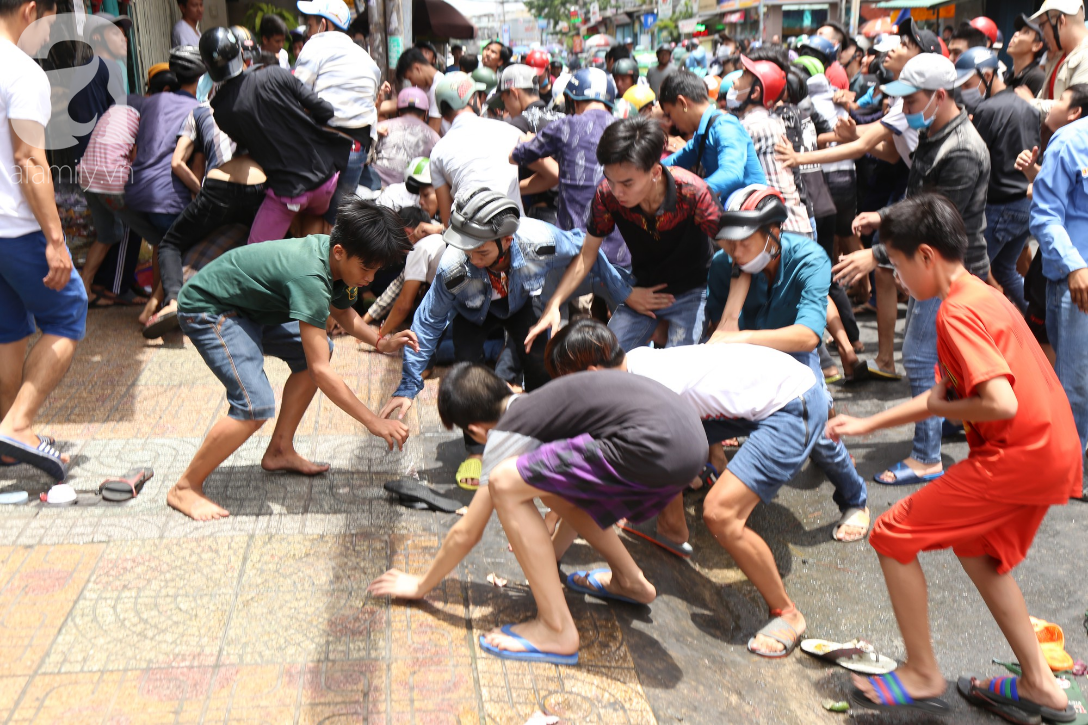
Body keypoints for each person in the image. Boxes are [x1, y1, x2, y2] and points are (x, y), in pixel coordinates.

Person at [827, 193, 1081, 721]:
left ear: (925, 256)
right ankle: (1040, 686)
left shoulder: (956, 314)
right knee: (975, 549)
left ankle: (922, 671)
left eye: (895, 265)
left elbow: (997, 402)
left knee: (891, 533)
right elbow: (945, 395)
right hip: (1052, 450)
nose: (894, 278)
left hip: (1020, 452)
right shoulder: (981, 294)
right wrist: (870, 422)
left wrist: (947, 403)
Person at [545, 318, 851, 657]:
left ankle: (787, 613)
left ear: (591, 373)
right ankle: (672, 530)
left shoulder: (645, 394)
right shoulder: (631, 365)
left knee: (720, 514)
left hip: (794, 404)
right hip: (760, 391)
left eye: (567, 385)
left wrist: (550, 538)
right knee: (651, 452)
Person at [377, 361, 705, 665]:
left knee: (504, 482)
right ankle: (630, 580)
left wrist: (421, 585)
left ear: (475, 431)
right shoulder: (537, 402)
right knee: (546, 484)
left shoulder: (508, 432)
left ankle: (555, 627)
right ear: (506, 386)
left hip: (654, 449)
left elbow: (468, 532)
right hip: (689, 440)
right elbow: (570, 497)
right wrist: (551, 552)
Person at [169, 199, 418, 521]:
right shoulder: (310, 276)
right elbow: (320, 372)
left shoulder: (336, 260)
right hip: (210, 308)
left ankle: (279, 451)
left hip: (249, 307)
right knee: (254, 404)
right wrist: (374, 421)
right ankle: (184, 488)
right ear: (340, 251)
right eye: (366, 269)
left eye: (376, 271)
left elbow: (342, 311)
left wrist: (381, 342)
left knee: (320, 348)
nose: (370, 279)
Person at [381, 189, 629, 489]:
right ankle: (475, 449)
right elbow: (427, 322)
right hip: (470, 314)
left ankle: (540, 437)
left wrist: (626, 295)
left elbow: (587, 249)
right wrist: (409, 385)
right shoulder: (453, 266)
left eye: (481, 252)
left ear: (507, 240)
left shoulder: (540, 239)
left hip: (522, 302)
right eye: (467, 249)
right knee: (467, 375)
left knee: (539, 363)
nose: (472, 258)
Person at [775, 20, 945, 383]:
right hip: (911, 192)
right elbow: (887, 152)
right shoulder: (905, 100)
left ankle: (928, 376)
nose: (893, 50)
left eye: (903, 44)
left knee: (926, 297)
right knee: (896, 281)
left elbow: (863, 144)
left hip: (923, 198)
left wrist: (800, 157)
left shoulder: (916, 103)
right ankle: (888, 358)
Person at [853, 53, 991, 489]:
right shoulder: (935, 131)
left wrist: (874, 256)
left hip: (949, 275)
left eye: (911, 101)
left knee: (919, 357)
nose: (905, 110)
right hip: (934, 268)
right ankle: (947, 420)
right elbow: (920, 198)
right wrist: (884, 215)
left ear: (940, 96)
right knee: (942, 360)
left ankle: (927, 457)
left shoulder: (963, 150)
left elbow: (933, 218)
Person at [707, 184, 870, 546]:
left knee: (813, 428)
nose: (733, 252)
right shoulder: (723, 266)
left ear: (774, 233)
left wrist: (741, 338)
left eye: (743, 242)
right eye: (727, 242)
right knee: (694, 417)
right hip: (741, 356)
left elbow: (808, 337)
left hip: (793, 355)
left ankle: (855, 499)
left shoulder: (809, 258)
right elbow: (720, 327)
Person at [525, 117, 722, 353]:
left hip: (693, 291)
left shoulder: (693, 193)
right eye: (610, 179)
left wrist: (725, 315)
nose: (617, 191)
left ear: (656, 172)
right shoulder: (607, 196)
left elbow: (733, 252)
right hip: (642, 290)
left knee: (676, 372)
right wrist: (554, 304)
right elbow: (588, 254)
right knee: (605, 360)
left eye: (627, 183)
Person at [0, 0, 87, 483]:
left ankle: (6, 438)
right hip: (15, 228)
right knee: (68, 310)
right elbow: (29, 160)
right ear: (32, 9)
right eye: (52, 20)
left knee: (9, 329)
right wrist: (56, 239)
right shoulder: (21, 71)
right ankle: (18, 424)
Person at [142, 68, 269, 339]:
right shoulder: (256, 105)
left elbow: (177, 162)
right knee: (261, 244)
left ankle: (174, 303)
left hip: (219, 188)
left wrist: (202, 193)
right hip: (259, 186)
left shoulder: (199, 111)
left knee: (170, 243)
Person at [204, 27, 350, 245]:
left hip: (288, 196)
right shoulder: (276, 74)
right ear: (241, 54)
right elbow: (326, 111)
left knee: (253, 257)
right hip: (325, 182)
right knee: (311, 231)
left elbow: (247, 146)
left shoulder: (222, 112)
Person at [510, 67, 630, 271]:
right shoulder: (626, 129)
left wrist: (527, 140)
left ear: (573, 100)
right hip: (619, 253)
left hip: (573, 249)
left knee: (543, 298)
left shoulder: (566, 125)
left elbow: (516, 156)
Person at [118, 46, 203, 322]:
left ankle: (153, 309)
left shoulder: (149, 102)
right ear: (201, 79)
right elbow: (195, 163)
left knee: (163, 244)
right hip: (167, 197)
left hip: (132, 193)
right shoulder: (198, 110)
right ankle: (168, 306)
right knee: (186, 246)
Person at [959, 47, 1041, 314]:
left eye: (969, 84)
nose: (965, 90)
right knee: (1005, 270)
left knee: (969, 273)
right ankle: (1035, 324)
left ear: (987, 74)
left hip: (1000, 209)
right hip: (1024, 204)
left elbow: (974, 159)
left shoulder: (987, 109)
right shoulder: (1026, 107)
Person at [1030, 112, 1088, 467]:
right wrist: (1075, 265)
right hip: (1078, 285)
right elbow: (1045, 215)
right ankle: (1072, 465)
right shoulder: (1069, 142)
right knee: (1077, 384)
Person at [295, 0, 380, 225]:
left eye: (310, 26)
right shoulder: (368, 60)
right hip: (357, 149)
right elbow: (371, 100)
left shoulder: (316, 45)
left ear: (324, 25)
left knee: (307, 216)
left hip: (323, 147)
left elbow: (295, 93)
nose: (308, 32)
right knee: (337, 221)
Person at [727, 56, 813, 237]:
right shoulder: (770, 119)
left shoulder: (753, 125)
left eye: (743, 76)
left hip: (782, 229)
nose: (735, 80)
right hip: (793, 224)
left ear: (755, 92)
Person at [428, 71, 525, 223]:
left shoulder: (437, 153)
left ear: (444, 114)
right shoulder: (509, 131)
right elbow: (552, 173)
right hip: (513, 229)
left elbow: (447, 221)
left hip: (470, 236)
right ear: (472, 99)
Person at [659, 70, 765, 203]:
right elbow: (675, 162)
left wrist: (691, 192)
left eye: (670, 114)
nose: (671, 122)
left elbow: (732, 173)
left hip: (751, 215)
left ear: (682, 103)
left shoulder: (725, 126)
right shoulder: (702, 134)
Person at [362, 206, 445, 333]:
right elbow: (395, 288)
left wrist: (379, 338)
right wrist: (362, 323)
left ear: (406, 233)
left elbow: (403, 305)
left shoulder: (419, 248)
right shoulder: (437, 235)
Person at [1025, 0, 1088, 113]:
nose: (1043, 35)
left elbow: (1071, 109)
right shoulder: (1058, 57)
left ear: (1061, 21)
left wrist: (1029, 102)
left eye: (1042, 26)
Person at [372, 87, 440, 187]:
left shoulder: (380, 128)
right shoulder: (434, 137)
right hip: (411, 192)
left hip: (376, 188)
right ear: (426, 114)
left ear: (398, 111)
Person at [396, 47, 444, 134]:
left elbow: (433, 131)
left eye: (410, 78)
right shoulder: (425, 87)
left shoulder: (438, 87)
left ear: (417, 69)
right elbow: (402, 102)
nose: (412, 83)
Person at [1005, 13, 1047, 97]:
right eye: (1019, 31)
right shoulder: (1011, 75)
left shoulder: (1037, 78)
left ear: (1036, 46)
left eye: (1026, 32)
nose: (1016, 34)